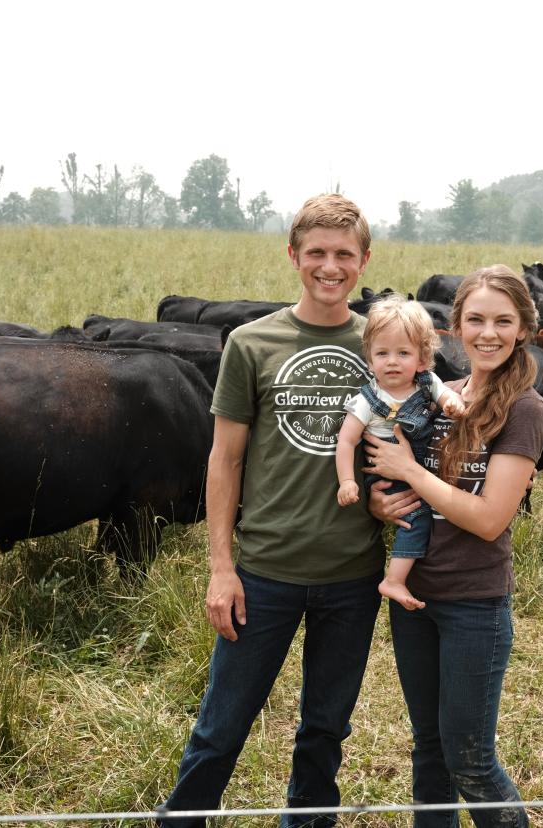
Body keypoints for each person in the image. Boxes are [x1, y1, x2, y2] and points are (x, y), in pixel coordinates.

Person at [161, 194, 384, 828]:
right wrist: (220, 567)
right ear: (294, 256)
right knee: (221, 727)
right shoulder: (251, 343)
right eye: (317, 253)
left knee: (324, 730)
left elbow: (417, 435)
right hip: (262, 573)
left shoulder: (382, 342)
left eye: (344, 254)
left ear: (364, 260)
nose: (330, 266)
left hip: (352, 575)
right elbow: (224, 461)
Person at [365, 265, 543, 828]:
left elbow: (490, 519)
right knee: (429, 749)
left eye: (502, 321)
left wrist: (409, 474)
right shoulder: (442, 396)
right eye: (475, 319)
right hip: (415, 597)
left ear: (522, 329)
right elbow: (402, 474)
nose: (487, 333)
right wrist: (381, 501)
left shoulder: (525, 408)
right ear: (455, 327)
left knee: (470, 759)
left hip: (474, 603)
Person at [335, 295, 465, 611]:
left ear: (422, 359)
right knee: (417, 519)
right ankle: (393, 580)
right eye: (382, 353)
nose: (392, 361)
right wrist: (347, 482)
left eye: (403, 353)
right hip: (388, 474)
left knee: (433, 513)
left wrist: (453, 403)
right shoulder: (368, 400)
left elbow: (447, 395)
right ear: (369, 359)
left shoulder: (427, 382)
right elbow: (346, 442)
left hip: (419, 467)